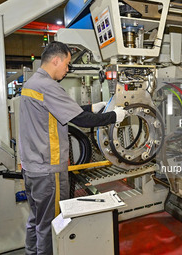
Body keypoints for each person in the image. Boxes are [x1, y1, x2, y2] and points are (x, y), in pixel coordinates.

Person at [19, 41, 127, 255]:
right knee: (51, 225)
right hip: (48, 170)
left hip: (31, 168)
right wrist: (115, 116)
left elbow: (59, 109)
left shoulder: (33, 83)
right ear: (56, 60)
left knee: (36, 220)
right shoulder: (47, 85)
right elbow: (81, 120)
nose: (67, 69)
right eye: (67, 64)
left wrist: (93, 107)